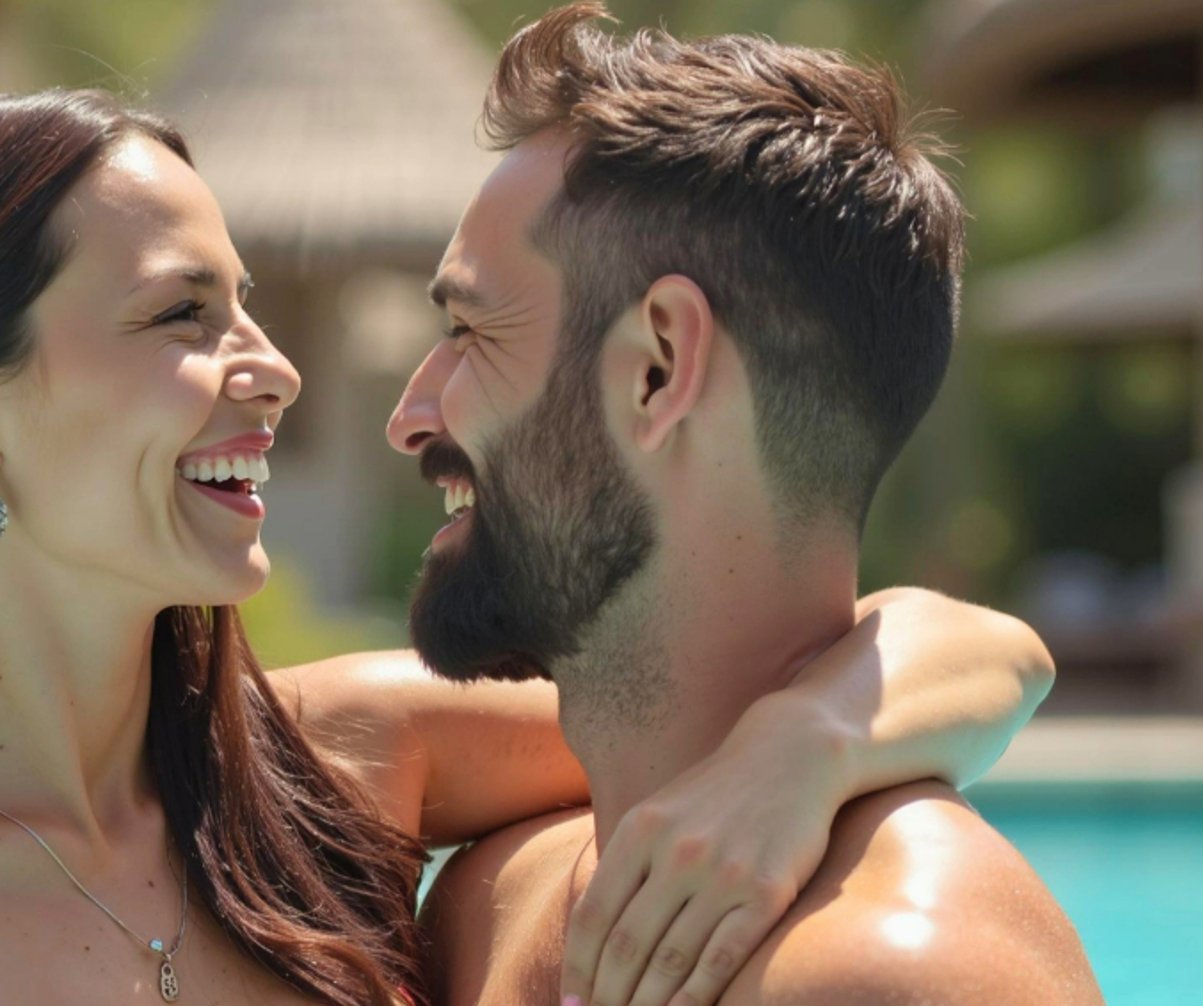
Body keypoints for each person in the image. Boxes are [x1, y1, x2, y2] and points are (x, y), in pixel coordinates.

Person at [0, 87, 1054, 1006]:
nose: (277, 368)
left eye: (249, 304)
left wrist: (799, 746)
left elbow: (955, 650)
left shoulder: (326, 765)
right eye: (184, 314)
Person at [402, 6, 1102, 1006]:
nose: (409, 415)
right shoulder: (486, 901)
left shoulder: (890, 976)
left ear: (658, 368)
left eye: (472, 332)